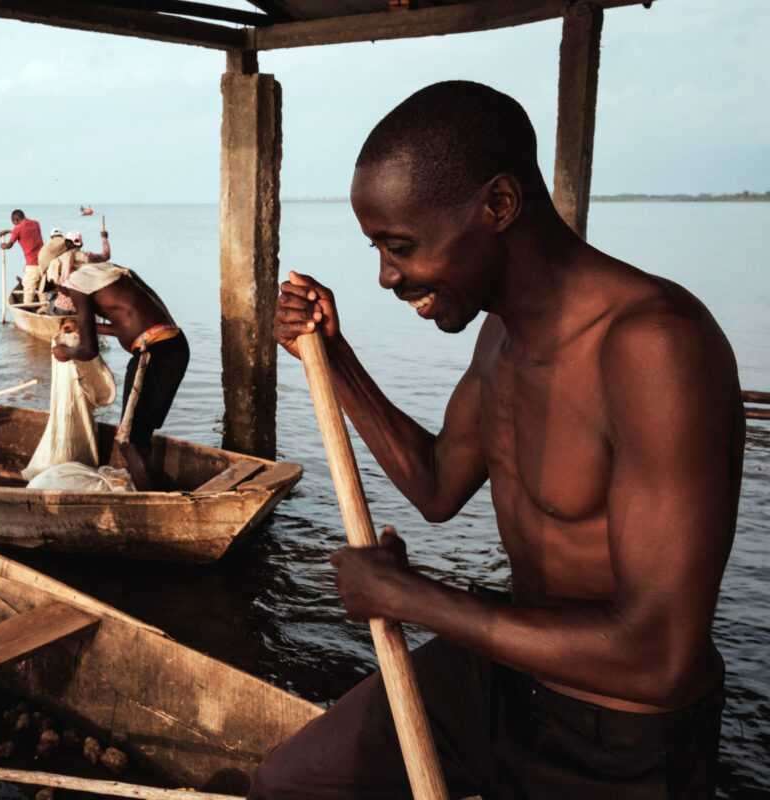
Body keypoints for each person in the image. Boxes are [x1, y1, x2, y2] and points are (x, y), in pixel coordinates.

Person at [252, 81, 742, 799]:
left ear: (500, 206)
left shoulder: (654, 347)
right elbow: (437, 486)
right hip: (501, 676)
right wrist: (334, 357)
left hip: (623, 741)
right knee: (288, 783)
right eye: (378, 249)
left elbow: (660, 658)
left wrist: (412, 596)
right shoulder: (500, 334)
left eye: (401, 246)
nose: (388, 276)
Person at [52, 262, 188, 490]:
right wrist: (83, 327)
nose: (65, 295)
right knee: (140, 436)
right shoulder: (111, 274)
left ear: (59, 280)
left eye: (60, 290)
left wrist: (65, 352)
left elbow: (88, 350)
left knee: (127, 442)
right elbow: (128, 328)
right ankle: (155, 489)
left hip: (152, 353)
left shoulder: (76, 283)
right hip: (174, 346)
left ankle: (151, 504)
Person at [48, 228, 111, 315]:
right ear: (81, 244)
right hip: (81, 308)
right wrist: (104, 238)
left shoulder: (61, 258)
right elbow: (106, 255)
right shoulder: (89, 256)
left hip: (61, 308)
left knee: (51, 302)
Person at [0, 209, 44, 303]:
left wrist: (3, 246)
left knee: (28, 291)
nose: (14, 226)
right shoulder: (36, 223)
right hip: (44, 263)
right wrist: (9, 231)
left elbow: (9, 245)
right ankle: (45, 307)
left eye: (14, 223)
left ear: (15, 219)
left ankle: (27, 309)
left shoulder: (17, 228)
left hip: (32, 265)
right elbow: (24, 230)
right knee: (43, 289)